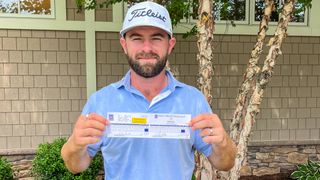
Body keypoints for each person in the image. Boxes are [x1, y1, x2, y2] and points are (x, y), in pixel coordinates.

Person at [61, 1, 236, 179]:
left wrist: (223, 143)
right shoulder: (101, 101)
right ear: (124, 44)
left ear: (170, 44)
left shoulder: (193, 101)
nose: (146, 48)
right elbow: (76, 166)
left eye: (156, 38)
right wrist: (75, 144)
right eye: (137, 38)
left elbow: (224, 163)